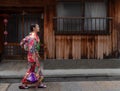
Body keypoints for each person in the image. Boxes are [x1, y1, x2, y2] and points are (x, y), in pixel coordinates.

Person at [19, 24, 46, 89]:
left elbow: (22, 43)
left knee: (33, 70)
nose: (39, 28)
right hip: (33, 56)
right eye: (38, 27)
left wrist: (35, 52)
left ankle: (28, 84)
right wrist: (29, 51)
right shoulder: (32, 37)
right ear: (34, 28)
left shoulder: (33, 36)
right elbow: (27, 46)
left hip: (33, 55)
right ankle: (26, 84)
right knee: (34, 70)